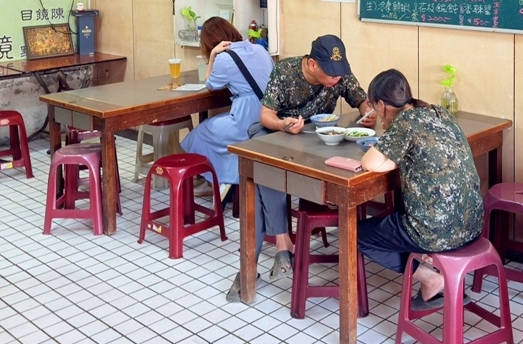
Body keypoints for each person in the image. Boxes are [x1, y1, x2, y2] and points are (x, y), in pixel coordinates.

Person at [226, 34, 375, 302]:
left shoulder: (340, 75)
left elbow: (361, 100)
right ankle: (281, 243)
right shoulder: (286, 71)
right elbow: (266, 115)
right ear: (312, 64)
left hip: (313, 141)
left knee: (259, 181)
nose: (336, 79)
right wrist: (284, 124)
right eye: (330, 73)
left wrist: (369, 113)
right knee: (264, 169)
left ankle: (251, 267)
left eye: (339, 73)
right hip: (278, 135)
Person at [358, 69, 484, 311]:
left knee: (355, 234)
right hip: (472, 224)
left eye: (375, 109)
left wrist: (392, 157)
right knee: (404, 211)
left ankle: (430, 278)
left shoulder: (405, 123)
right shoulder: (438, 112)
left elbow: (370, 163)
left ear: (383, 106)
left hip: (436, 233)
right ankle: (426, 264)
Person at [180, 17, 272, 195]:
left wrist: (213, 55)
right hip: (269, 115)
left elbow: (210, 84)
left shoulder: (224, 59)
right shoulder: (260, 49)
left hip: (246, 119)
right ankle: (224, 180)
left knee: (200, 132)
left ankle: (217, 181)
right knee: (219, 129)